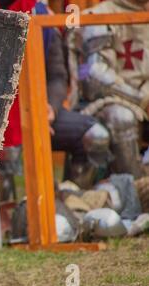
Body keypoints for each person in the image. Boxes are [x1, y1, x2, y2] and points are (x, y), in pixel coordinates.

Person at [69, 0, 149, 180]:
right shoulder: (100, 16)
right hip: (108, 100)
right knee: (122, 118)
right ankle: (134, 193)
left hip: (145, 98)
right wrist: (140, 99)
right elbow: (94, 74)